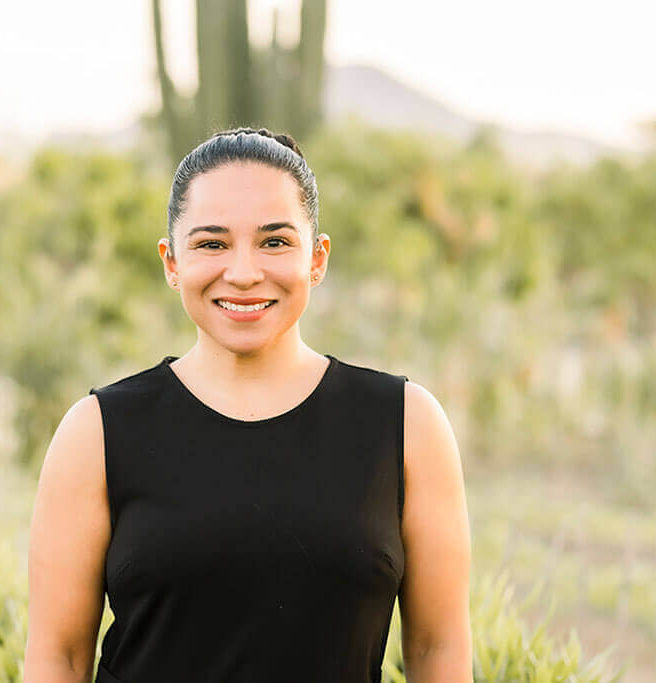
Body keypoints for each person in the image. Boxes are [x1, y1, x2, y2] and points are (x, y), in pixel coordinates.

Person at [24, 127, 472, 682]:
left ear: (317, 257)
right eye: (211, 243)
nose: (242, 272)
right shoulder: (96, 433)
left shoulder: (406, 424)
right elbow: (57, 659)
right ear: (171, 262)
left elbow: (438, 649)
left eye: (275, 241)